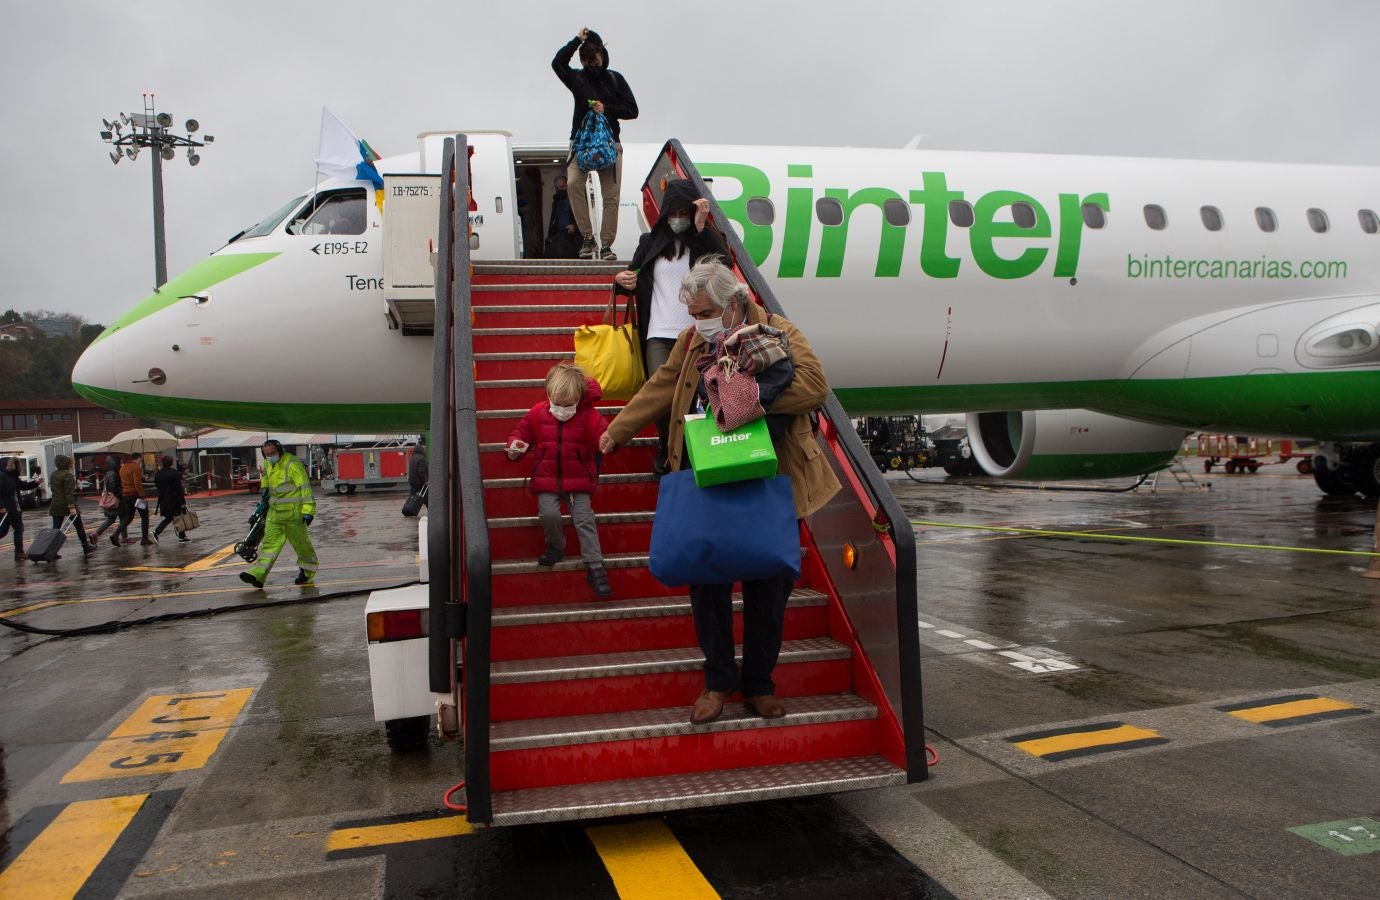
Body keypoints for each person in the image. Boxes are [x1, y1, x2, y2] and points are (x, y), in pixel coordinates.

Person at [599, 257, 840, 724]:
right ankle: (718, 680)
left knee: (768, 590)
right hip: (706, 476)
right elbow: (663, 383)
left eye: (705, 311)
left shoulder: (777, 331)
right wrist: (618, 429)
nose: (698, 321)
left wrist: (736, 399)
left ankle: (759, 684)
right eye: (692, 313)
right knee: (707, 585)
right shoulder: (693, 341)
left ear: (733, 302)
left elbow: (814, 386)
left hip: (769, 479)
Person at [613, 180, 725, 475]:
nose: (678, 218)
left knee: (694, 394)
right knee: (662, 395)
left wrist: (701, 229)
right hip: (659, 333)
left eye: (683, 212)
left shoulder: (702, 240)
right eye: (673, 212)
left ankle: (692, 451)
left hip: (696, 332)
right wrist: (620, 282)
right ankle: (666, 448)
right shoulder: (649, 243)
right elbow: (631, 276)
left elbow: (720, 265)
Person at [506, 364, 612, 597]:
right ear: (549, 395)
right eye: (557, 404)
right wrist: (515, 447)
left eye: (568, 405)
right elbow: (520, 433)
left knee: (584, 519)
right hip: (547, 477)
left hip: (579, 479)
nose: (562, 409)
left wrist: (608, 441)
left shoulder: (589, 417)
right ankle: (556, 545)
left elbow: (603, 436)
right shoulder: (537, 413)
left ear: (579, 399)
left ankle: (595, 566)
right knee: (549, 514)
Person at [552, 27, 638, 260]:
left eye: (594, 59)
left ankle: (607, 244)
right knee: (573, 184)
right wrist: (576, 40)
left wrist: (606, 109)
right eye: (585, 59)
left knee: (611, 196)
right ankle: (587, 238)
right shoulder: (577, 78)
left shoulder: (615, 79)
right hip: (581, 144)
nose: (590, 64)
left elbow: (633, 110)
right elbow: (557, 63)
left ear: (602, 57)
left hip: (609, 143)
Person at [240, 439, 317, 589]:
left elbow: (305, 488)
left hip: (293, 515)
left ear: (280, 450)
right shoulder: (269, 463)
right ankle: (257, 575)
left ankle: (307, 572)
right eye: (267, 454)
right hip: (274, 513)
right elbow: (267, 479)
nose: (270, 456)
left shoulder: (292, 463)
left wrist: (308, 510)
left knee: (302, 546)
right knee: (268, 545)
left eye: (272, 453)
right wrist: (265, 492)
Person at [48, 454, 94, 555]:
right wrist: (71, 506)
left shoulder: (53, 474)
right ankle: (85, 546)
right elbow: (69, 493)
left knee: (56, 529)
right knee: (79, 526)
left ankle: (51, 551)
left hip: (55, 504)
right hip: (67, 505)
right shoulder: (67, 475)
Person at [0, 457, 39, 561]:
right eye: (10, 465)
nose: (12, 467)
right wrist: (2, 506)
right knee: (17, 529)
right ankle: (19, 552)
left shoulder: (13, 477)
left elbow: (23, 486)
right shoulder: (2, 477)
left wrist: (36, 483)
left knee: (5, 531)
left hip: (14, 508)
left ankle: (19, 552)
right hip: (8, 509)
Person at [113, 454, 152, 546]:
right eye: (141, 459)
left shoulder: (122, 468)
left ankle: (116, 534)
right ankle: (144, 538)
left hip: (126, 495)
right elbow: (137, 483)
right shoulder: (136, 467)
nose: (141, 461)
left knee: (128, 517)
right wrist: (142, 496)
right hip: (136, 495)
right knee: (144, 515)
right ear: (138, 458)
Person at [153, 455, 190, 543]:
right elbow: (178, 488)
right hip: (174, 500)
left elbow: (157, 486)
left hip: (163, 500)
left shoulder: (158, 474)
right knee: (177, 517)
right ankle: (156, 532)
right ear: (171, 463)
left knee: (171, 517)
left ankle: (182, 536)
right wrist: (182, 502)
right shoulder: (174, 473)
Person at [545, 173, 580, 259]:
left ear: (567, 186)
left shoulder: (576, 199)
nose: (560, 190)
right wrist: (550, 236)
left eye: (562, 187)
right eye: (558, 188)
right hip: (559, 236)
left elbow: (582, 216)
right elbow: (553, 219)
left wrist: (574, 225)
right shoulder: (556, 201)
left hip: (573, 237)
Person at [91, 455, 122, 544]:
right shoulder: (113, 473)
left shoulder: (108, 472)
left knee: (111, 518)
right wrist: (120, 495)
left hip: (109, 498)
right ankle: (123, 537)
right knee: (124, 517)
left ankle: (96, 534)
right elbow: (113, 486)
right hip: (115, 500)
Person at [516, 166, 545, 259]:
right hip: (530, 212)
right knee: (529, 234)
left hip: (523, 211)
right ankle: (530, 254)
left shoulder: (520, 183)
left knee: (525, 234)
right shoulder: (532, 184)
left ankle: (527, 256)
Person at [407, 441, 428, 509]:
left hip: (412, 481)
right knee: (427, 498)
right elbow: (421, 471)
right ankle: (431, 511)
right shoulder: (422, 458)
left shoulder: (413, 457)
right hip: (419, 482)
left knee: (412, 498)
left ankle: (409, 510)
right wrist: (426, 481)